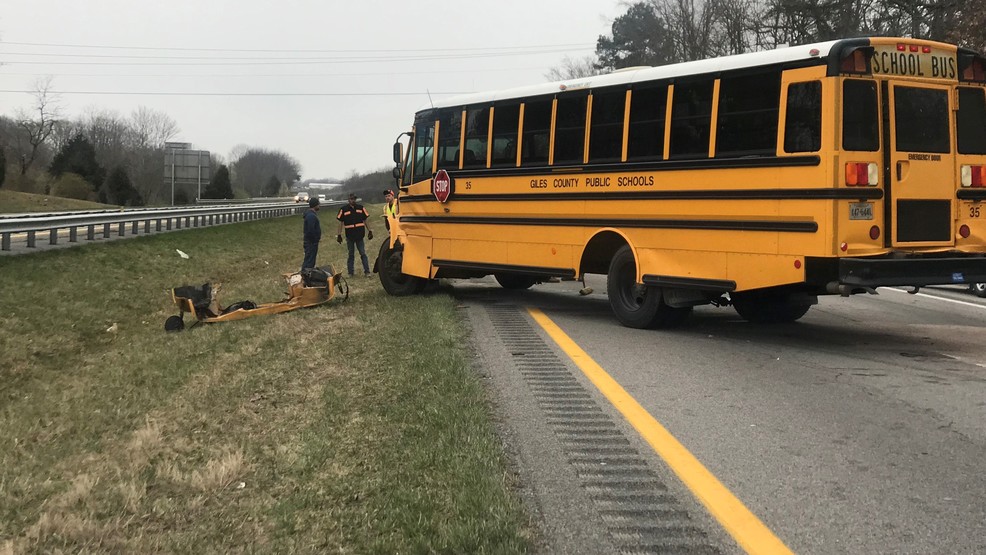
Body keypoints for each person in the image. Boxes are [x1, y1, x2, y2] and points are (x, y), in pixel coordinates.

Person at [336, 193, 373, 276]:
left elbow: (366, 220)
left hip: (360, 235)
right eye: (351, 199)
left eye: (354, 199)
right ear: (348, 200)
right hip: (350, 236)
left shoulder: (361, 208)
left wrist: (370, 231)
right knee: (351, 254)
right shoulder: (343, 210)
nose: (353, 200)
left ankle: (367, 271)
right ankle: (350, 273)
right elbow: (340, 222)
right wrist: (339, 235)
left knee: (363, 253)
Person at [301, 196, 321, 270]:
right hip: (311, 242)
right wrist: (315, 239)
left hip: (311, 242)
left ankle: (307, 275)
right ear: (315, 205)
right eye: (318, 204)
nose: (319, 206)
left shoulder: (311, 215)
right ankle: (305, 276)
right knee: (309, 261)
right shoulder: (311, 216)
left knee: (310, 260)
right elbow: (310, 230)